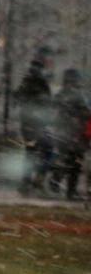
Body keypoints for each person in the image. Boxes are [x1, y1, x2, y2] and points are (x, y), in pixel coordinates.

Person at [15, 59, 54, 196]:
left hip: (27, 124)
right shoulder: (41, 83)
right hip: (37, 123)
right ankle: (36, 180)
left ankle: (27, 182)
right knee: (45, 150)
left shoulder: (27, 81)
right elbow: (48, 103)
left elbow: (17, 98)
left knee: (30, 152)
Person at [52, 69, 89, 201]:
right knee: (75, 163)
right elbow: (85, 113)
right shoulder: (77, 95)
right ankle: (70, 191)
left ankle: (55, 183)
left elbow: (54, 111)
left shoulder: (60, 94)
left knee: (64, 160)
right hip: (74, 134)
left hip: (61, 133)